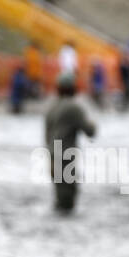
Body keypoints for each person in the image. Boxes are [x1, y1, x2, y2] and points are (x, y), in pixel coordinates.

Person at [44, 72, 97, 213]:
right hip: (66, 158)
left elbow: (46, 135)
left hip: (52, 157)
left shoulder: (51, 107)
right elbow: (90, 131)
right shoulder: (74, 108)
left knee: (59, 200)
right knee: (68, 202)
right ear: (73, 88)